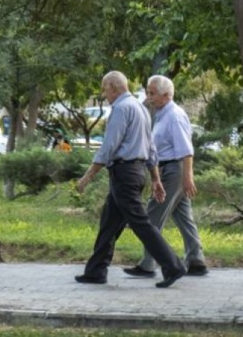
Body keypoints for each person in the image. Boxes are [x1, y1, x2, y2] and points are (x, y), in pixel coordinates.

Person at [74, 71, 186, 288]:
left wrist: (87, 177)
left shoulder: (121, 109)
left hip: (124, 173)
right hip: (135, 172)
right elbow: (151, 147)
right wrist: (155, 178)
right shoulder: (141, 109)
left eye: (104, 89)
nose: (104, 94)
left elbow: (109, 147)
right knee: (109, 223)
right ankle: (96, 270)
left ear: (113, 87)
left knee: (140, 223)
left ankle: (173, 266)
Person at [122, 75, 208, 279]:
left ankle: (148, 264)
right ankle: (196, 260)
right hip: (169, 169)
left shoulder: (174, 116)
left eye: (152, 93)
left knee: (151, 217)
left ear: (167, 95)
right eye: (147, 92)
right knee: (183, 217)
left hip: (174, 171)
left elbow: (186, 150)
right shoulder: (162, 114)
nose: (148, 97)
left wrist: (187, 178)